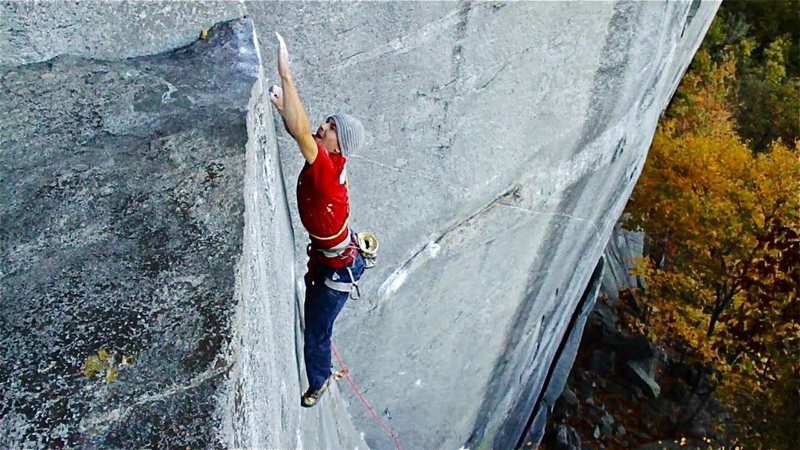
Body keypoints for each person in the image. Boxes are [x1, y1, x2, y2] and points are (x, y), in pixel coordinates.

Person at [268, 33, 367, 408]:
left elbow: (299, 130)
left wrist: (286, 76)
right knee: (316, 321)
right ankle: (323, 373)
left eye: (330, 128)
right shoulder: (329, 160)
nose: (322, 128)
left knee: (317, 334)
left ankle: (319, 381)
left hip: (336, 270)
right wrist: (281, 104)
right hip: (332, 258)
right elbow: (301, 130)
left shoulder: (326, 169)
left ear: (338, 147)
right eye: (326, 122)